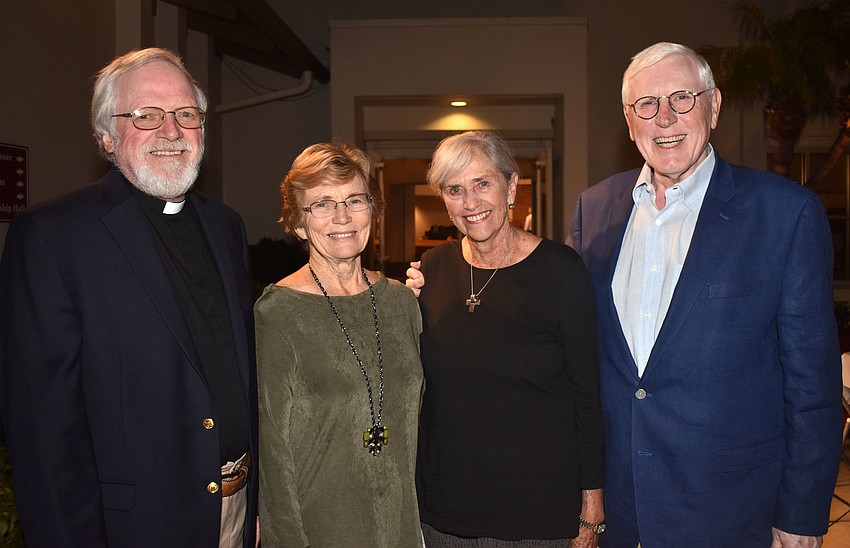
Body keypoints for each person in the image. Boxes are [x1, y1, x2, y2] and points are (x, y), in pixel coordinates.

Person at [565, 42, 842, 546]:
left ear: (713, 106)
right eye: (646, 104)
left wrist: (801, 514)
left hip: (734, 514)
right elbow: (560, 330)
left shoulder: (786, 214)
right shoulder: (594, 209)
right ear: (630, 121)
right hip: (619, 513)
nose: (665, 117)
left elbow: (812, 388)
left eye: (682, 98)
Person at [0, 48, 258, 547]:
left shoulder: (226, 226)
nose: (171, 130)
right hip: (132, 528)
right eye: (146, 115)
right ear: (106, 136)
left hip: (236, 511)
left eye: (186, 114)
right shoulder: (52, 238)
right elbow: (42, 430)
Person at [413, 130, 605, 547]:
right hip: (446, 513)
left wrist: (592, 507)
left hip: (538, 517)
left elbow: (587, 395)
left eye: (483, 183)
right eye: (455, 189)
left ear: (511, 186)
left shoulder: (560, 271)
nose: (470, 202)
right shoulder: (432, 268)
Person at [254, 142, 424, 547]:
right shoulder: (277, 313)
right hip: (322, 527)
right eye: (323, 204)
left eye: (354, 200)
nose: (343, 216)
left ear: (373, 209)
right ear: (297, 222)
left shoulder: (402, 303)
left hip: (405, 525)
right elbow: (271, 450)